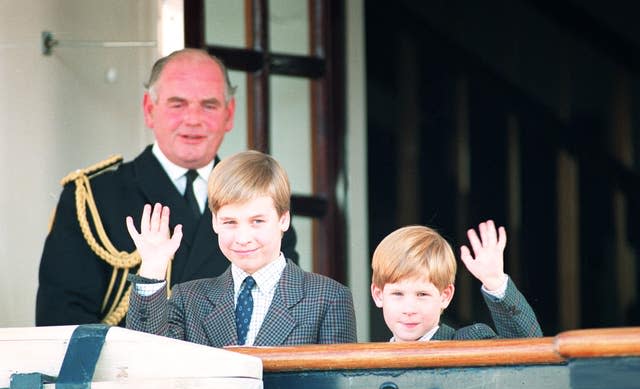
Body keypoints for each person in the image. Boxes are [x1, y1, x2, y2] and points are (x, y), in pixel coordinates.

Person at [36, 49, 298, 326]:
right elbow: (62, 323)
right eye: (178, 104)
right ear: (150, 110)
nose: (193, 119)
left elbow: (283, 311)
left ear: (229, 115)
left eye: (209, 105)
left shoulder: (262, 200)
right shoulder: (95, 198)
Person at [125, 150, 357, 346]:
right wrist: (154, 267)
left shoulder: (329, 298)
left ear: (283, 220)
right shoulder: (189, 298)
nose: (243, 238)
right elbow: (148, 358)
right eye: (230, 222)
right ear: (215, 222)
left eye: (257, 221)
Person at [370, 220, 542, 341]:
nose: (409, 309)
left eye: (422, 294)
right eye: (398, 294)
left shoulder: (469, 341)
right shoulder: (369, 360)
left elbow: (533, 352)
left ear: (445, 296)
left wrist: (495, 283)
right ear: (378, 295)